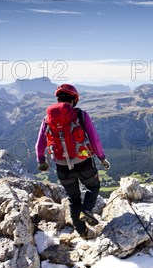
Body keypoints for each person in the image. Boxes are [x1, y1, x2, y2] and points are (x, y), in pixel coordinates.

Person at [35, 84, 111, 238]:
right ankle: (87, 210)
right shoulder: (81, 115)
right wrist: (102, 158)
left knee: (73, 198)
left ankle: (82, 232)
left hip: (62, 166)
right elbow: (94, 139)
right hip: (84, 162)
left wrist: (41, 159)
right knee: (93, 187)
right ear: (74, 99)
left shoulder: (47, 119)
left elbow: (39, 143)